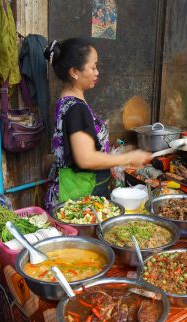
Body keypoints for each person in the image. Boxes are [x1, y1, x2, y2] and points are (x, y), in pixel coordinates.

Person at [43, 38, 151, 210]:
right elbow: (85, 158)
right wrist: (128, 158)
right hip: (79, 197)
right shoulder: (77, 109)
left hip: (70, 189)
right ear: (74, 72)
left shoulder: (65, 102)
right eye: (93, 67)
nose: (97, 72)